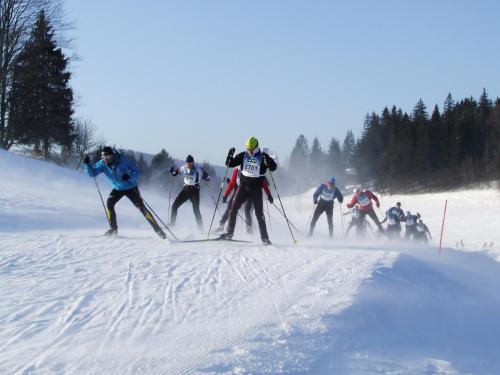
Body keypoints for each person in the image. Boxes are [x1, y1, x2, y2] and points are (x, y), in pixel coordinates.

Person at [83, 147, 166, 239]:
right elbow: (92, 173)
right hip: (117, 189)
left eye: (107, 157)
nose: (105, 159)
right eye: (103, 157)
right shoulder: (102, 164)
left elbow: (137, 172)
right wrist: (87, 164)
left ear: (112, 155)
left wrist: (129, 176)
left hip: (130, 187)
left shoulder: (123, 161)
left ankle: (158, 230)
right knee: (109, 203)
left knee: (142, 208)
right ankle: (113, 230)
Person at [219, 137, 277, 245]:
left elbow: (273, 168)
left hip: (256, 188)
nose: (249, 151)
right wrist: (229, 154)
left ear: (256, 147)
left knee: (259, 214)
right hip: (243, 187)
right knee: (233, 207)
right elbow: (229, 164)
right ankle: (229, 232)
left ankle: (265, 238)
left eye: (251, 149)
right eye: (248, 149)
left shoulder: (263, 156)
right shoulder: (243, 155)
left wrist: (268, 161)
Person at [217, 167, 273, 234]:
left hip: (251, 191)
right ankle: (221, 225)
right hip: (239, 190)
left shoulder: (253, 167)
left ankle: (249, 227)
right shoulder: (237, 170)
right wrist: (226, 194)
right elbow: (232, 182)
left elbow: (263, 181)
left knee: (247, 209)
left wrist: (268, 194)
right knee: (230, 207)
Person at [169, 154, 209, 230]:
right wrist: (172, 172)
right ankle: (172, 224)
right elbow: (175, 173)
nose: (189, 165)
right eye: (187, 163)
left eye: (190, 163)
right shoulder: (184, 167)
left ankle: (201, 228)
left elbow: (208, 177)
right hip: (186, 190)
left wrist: (206, 178)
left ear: (193, 163)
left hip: (194, 191)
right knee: (174, 206)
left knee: (196, 210)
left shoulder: (198, 169)